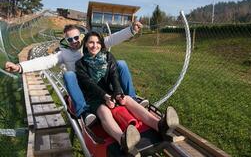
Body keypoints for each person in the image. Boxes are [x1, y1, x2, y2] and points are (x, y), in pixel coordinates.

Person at [5, 22, 142, 117]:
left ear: (81, 36)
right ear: (66, 41)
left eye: (76, 37)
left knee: (121, 63)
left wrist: (131, 30)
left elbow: (111, 39)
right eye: (70, 39)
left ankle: (133, 98)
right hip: (83, 85)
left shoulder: (90, 44)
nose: (74, 41)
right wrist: (20, 67)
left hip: (100, 79)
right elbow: (45, 61)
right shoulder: (64, 53)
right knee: (69, 74)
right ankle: (83, 110)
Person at [75, 31, 179, 156]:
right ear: (85, 44)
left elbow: (114, 76)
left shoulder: (108, 56)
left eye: (98, 42)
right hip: (94, 96)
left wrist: (118, 93)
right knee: (104, 111)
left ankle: (159, 125)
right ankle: (122, 140)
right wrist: (105, 97)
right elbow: (89, 84)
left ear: (101, 44)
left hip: (110, 92)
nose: (94, 45)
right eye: (91, 42)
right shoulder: (80, 64)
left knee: (128, 99)